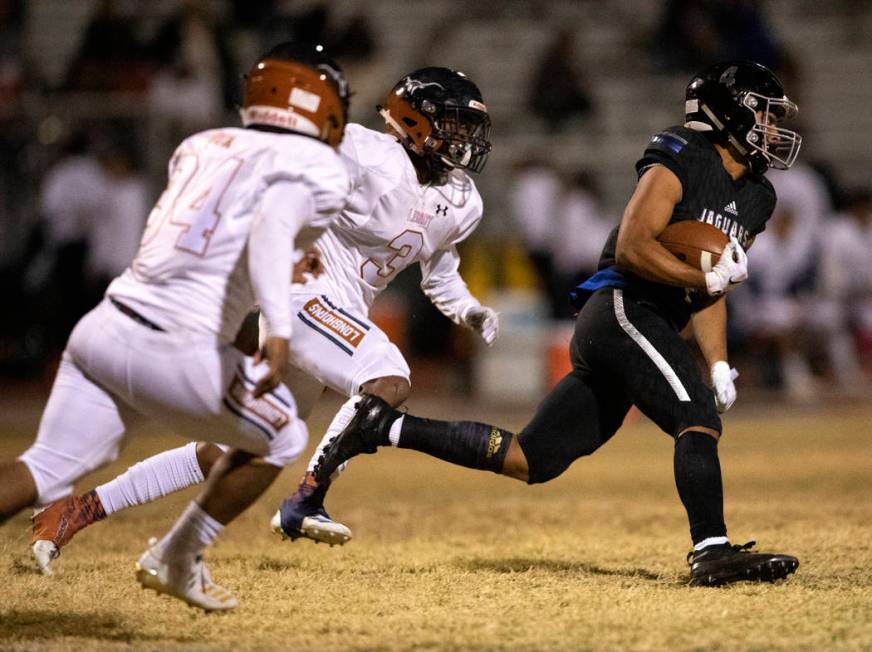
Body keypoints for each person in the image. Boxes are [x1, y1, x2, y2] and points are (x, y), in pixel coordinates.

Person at [312, 61, 804, 587]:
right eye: (765, 115)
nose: (774, 130)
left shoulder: (758, 196)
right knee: (696, 415)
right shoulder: (684, 154)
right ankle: (712, 549)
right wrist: (701, 284)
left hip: (648, 323)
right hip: (622, 307)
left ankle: (383, 426)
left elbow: (710, 285)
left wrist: (721, 361)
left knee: (533, 458)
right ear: (731, 112)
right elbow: (636, 247)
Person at [29, 67, 498, 567]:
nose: (463, 139)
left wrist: (466, 308)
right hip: (303, 298)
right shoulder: (363, 151)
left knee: (239, 446)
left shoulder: (463, 200)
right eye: (452, 123)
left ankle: (75, 510)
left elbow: (439, 272)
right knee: (387, 377)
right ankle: (306, 500)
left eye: (468, 128)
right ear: (413, 118)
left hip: (340, 317)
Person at [0, 42, 351, 610]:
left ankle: (170, 552)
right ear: (323, 108)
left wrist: (283, 260)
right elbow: (268, 226)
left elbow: (210, 238)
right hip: (176, 345)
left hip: (103, 328)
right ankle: (178, 555)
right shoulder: (318, 168)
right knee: (284, 431)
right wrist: (279, 331)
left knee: (40, 468)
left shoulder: (201, 144)